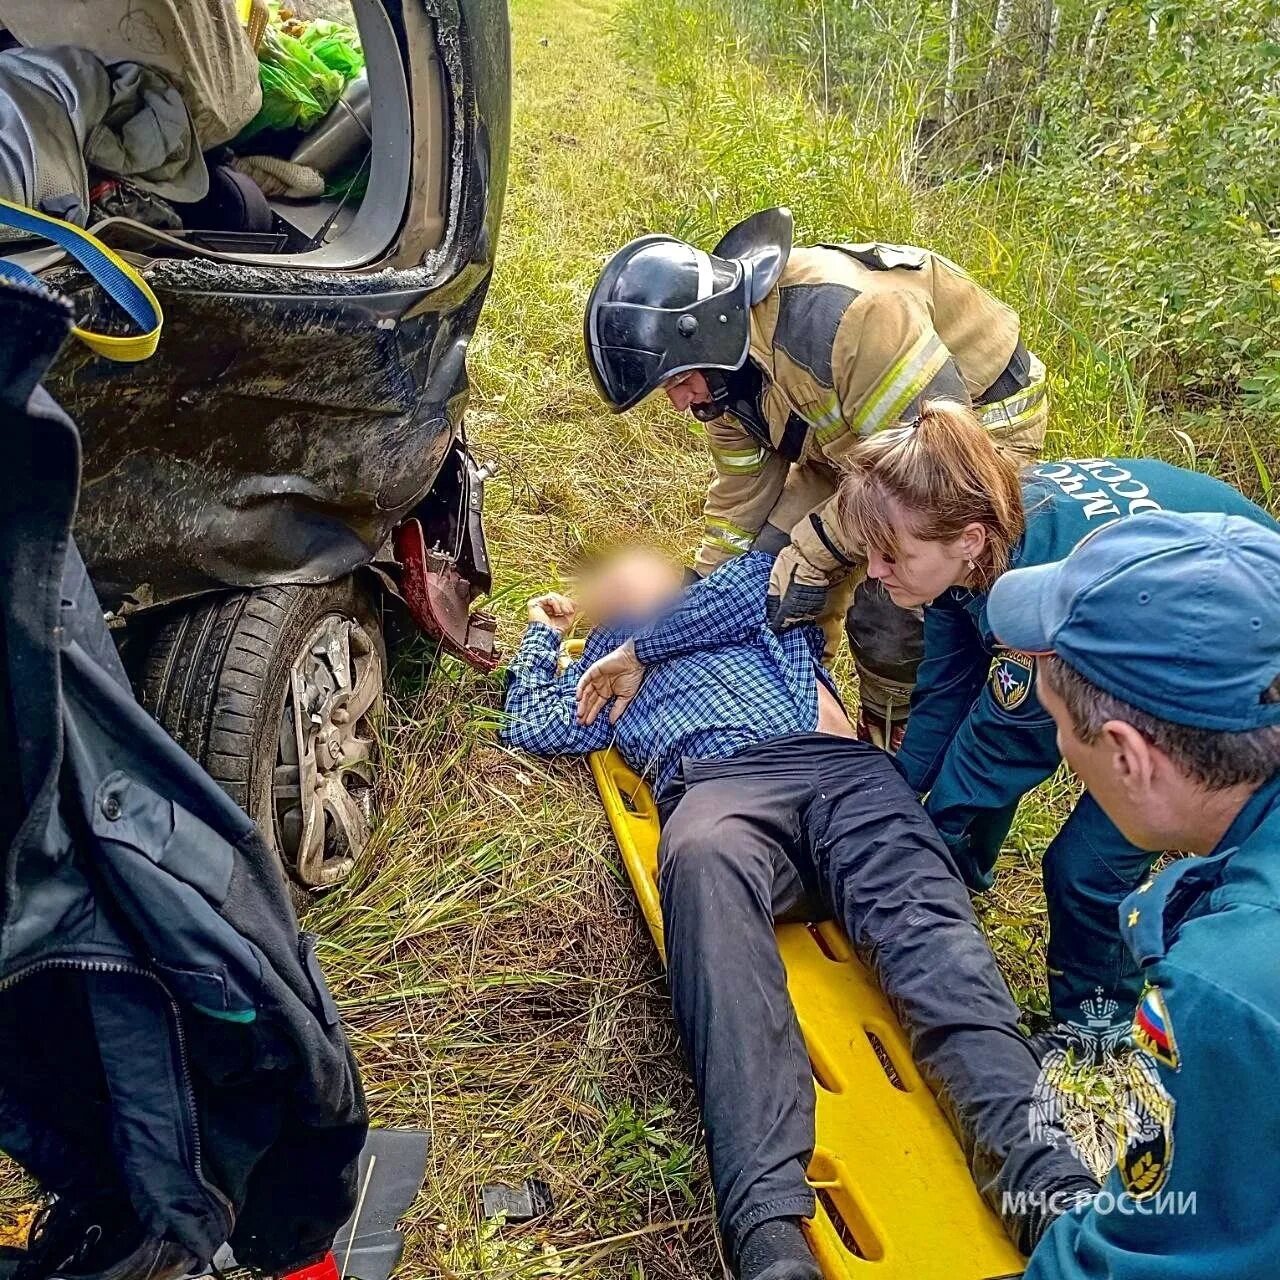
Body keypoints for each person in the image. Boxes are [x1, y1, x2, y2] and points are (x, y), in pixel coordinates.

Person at [500, 548, 1096, 1280]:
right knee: (704, 884)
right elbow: (530, 725)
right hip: (722, 790)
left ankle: (1051, 1189)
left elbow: (753, 582)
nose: (616, 573)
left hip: (843, 777)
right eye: (602, 578)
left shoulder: (751, 602)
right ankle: (769, 1234)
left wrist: (638, 644)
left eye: (637, 560)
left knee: (943, 963)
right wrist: (545, 634)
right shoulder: (601, 668)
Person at [835, 401, 1279, 1036]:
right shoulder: (970, 524)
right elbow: (945, 687)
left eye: (891, 557)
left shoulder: (1037, 597)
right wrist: (899, 787)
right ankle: (964, 875)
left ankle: (1093, 1031)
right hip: (1204, 603)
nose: (874, 575)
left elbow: (1004, 748)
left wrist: (923, 844)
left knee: (1085, 869)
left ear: (968, 542)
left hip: (1238, 654)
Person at [583, 206, 1048, 742]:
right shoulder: (721, 382)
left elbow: (919, 479)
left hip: (963, 433)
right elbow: (741, 502)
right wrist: (698, 603)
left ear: (708, 335)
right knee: (764, 571)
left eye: (679, 381)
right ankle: (804, 700)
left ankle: (891, 738)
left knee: (889, 593)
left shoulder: (849, 319)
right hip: (859, 442)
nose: (679, 403)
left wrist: (815, 551)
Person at [982, 511, 1280, 1279]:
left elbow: (1145, 1260)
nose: (1057, 747)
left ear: (1127, 755)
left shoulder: (1233, 989)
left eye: (1055, 725)